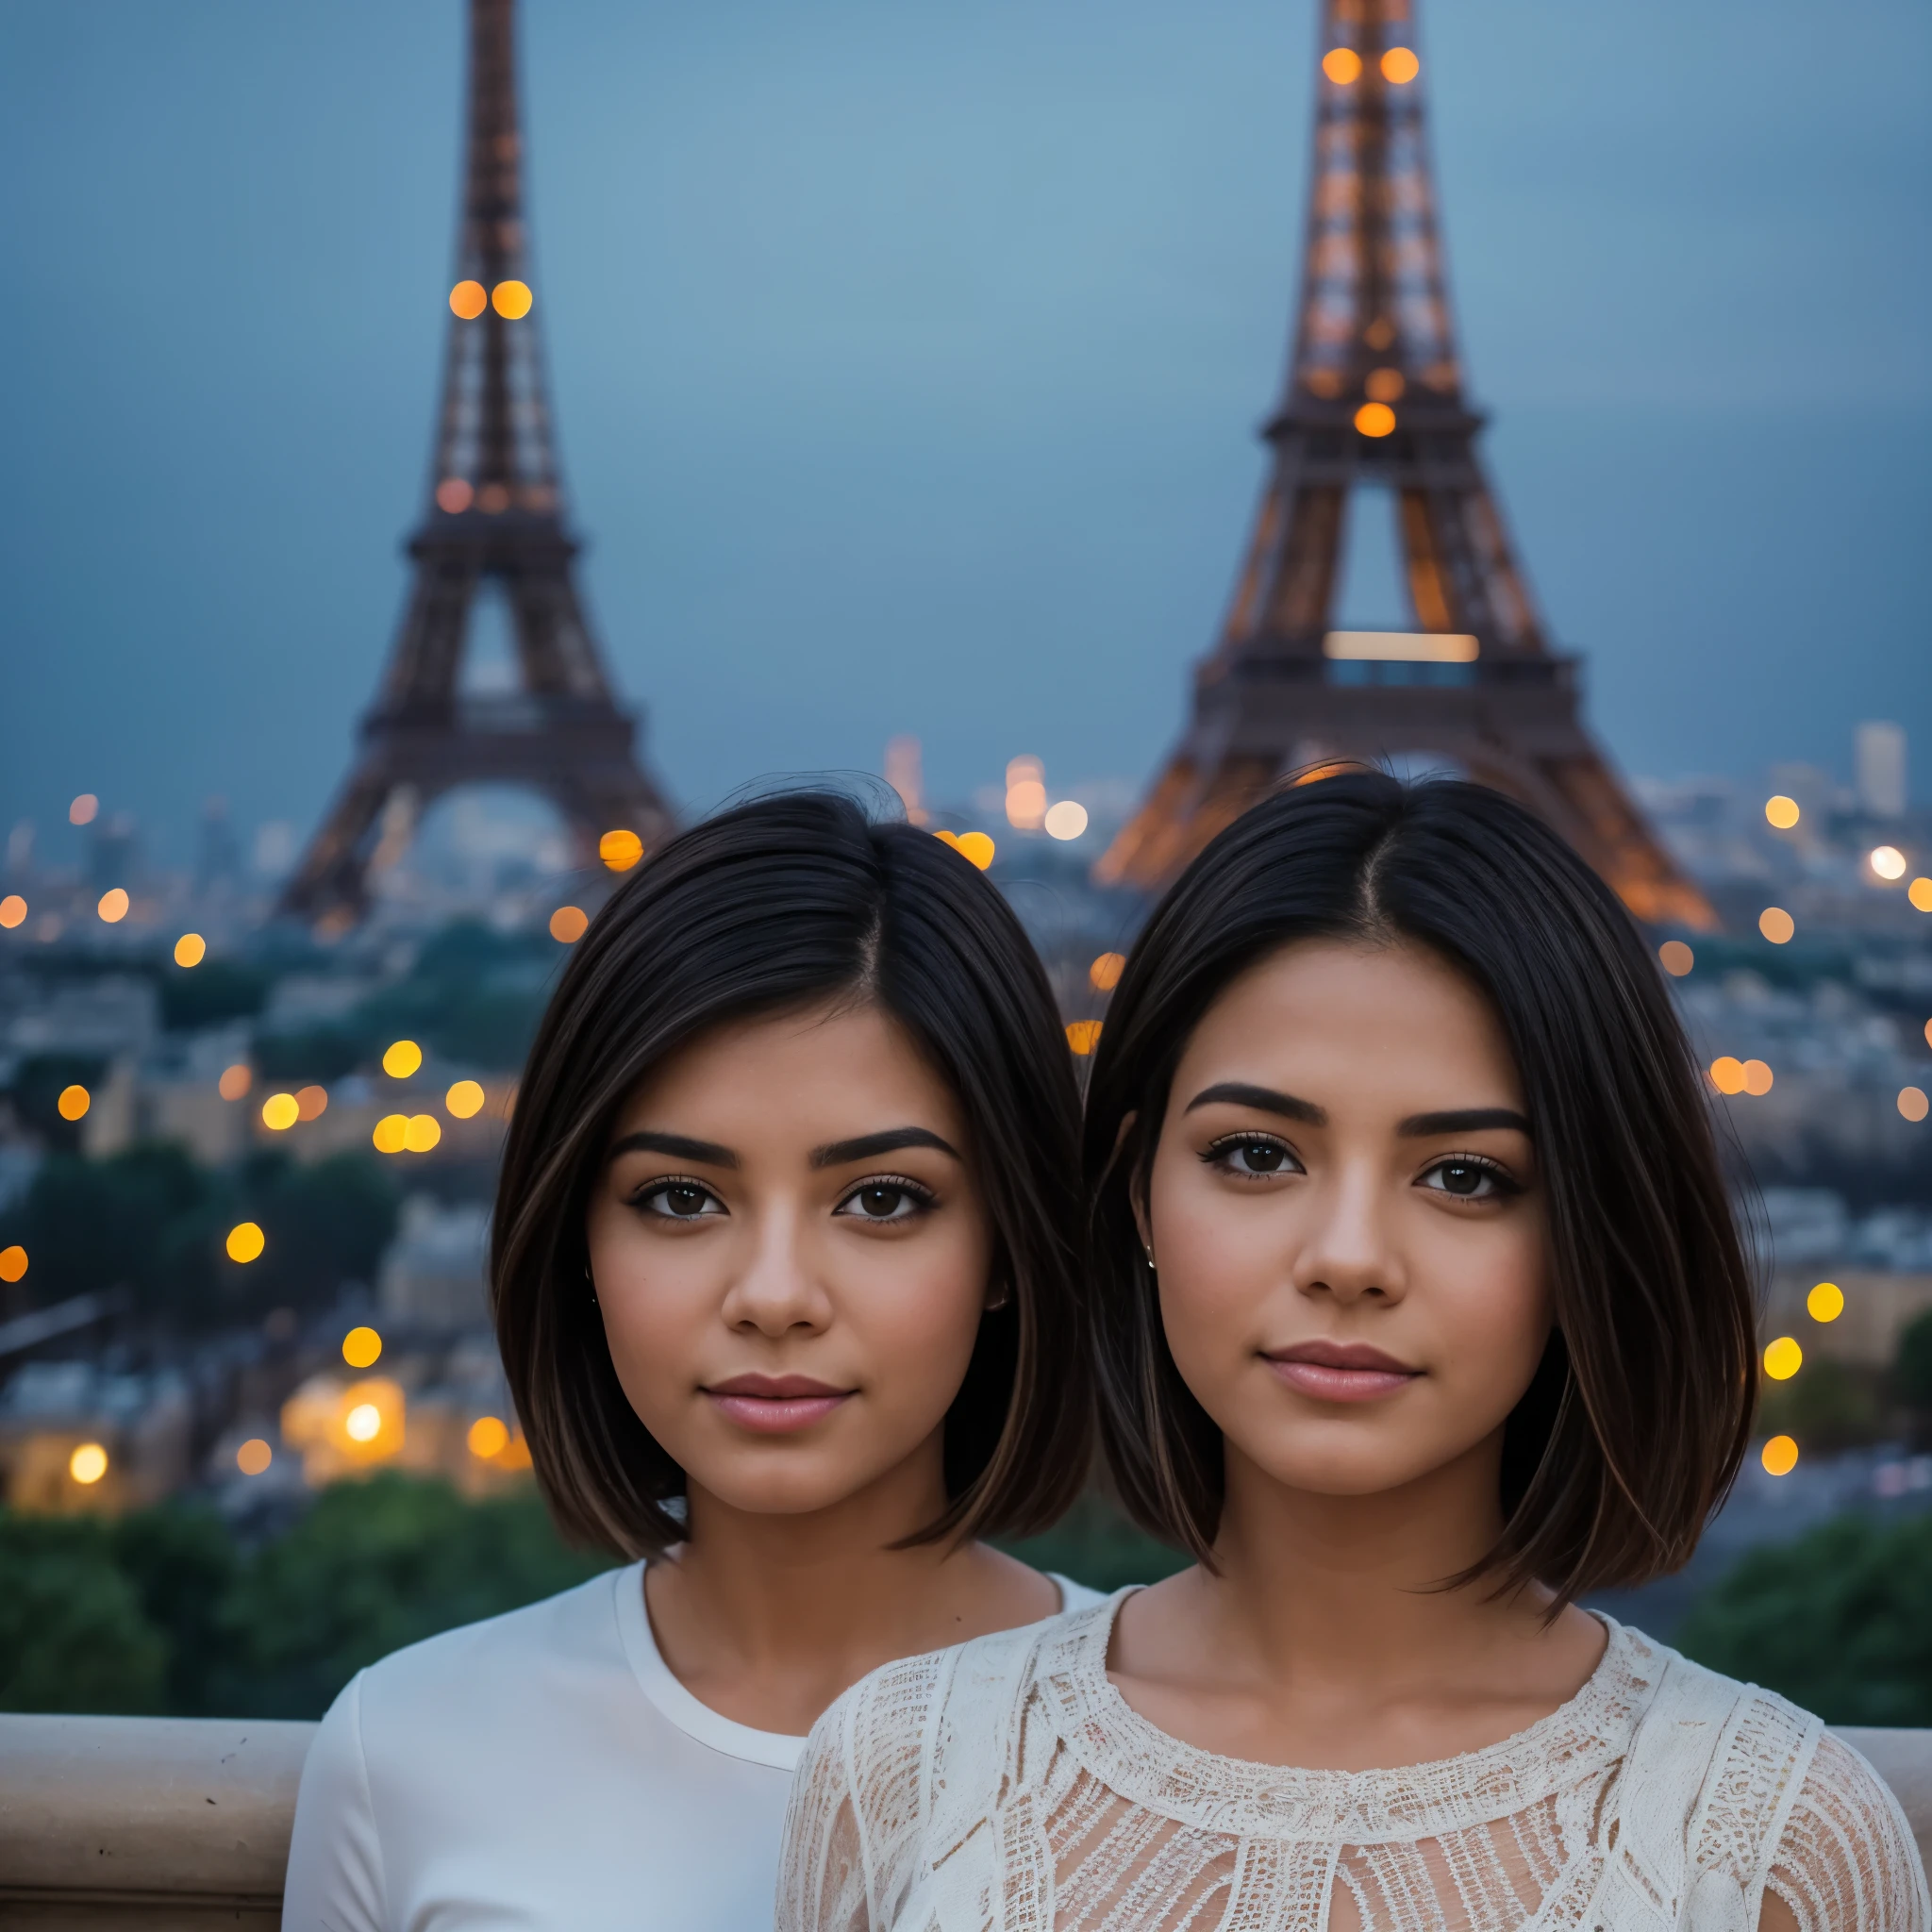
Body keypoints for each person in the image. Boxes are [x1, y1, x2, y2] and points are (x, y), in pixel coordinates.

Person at [778, 773, 1929, 1932]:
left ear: (1590, 1224)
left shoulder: (1769, 1842)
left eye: (1464, 1176)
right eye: (1256, 1155)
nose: (1346, 1257)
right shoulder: (902, 1769)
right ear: (1135, 1188)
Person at [282, 791, 1104, 1932]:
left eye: (880, 1198)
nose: (772, 1293)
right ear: (577, 1239)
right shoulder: (405, 1751)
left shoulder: (1181, 1750)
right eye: (679, 1197)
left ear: (1009, 1243)